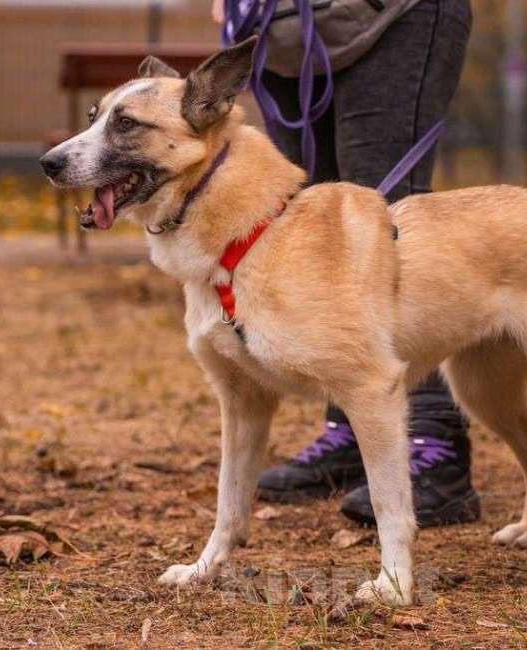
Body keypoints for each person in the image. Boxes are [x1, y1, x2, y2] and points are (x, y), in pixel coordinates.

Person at [212, 0, 478, 527]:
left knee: (384, 223)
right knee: (306, 234)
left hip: (392, 17)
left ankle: (435, 445)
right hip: (282, 30)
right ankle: (350, 435)